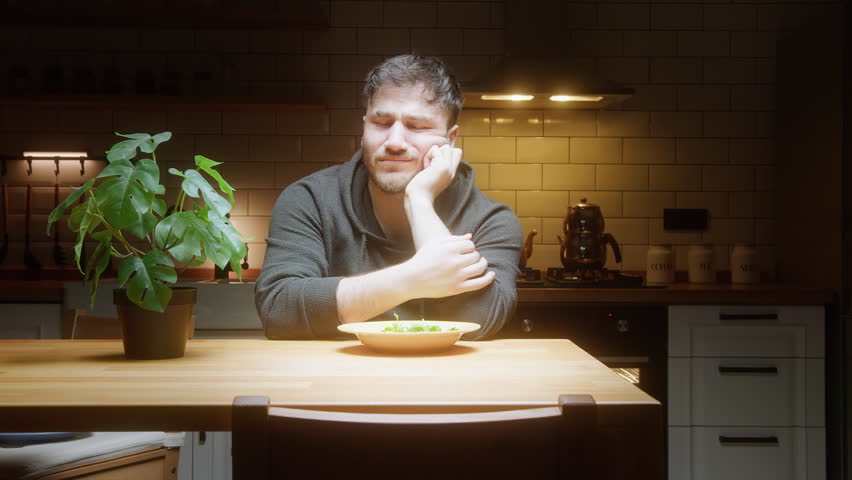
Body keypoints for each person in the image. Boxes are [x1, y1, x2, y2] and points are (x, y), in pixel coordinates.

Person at [255, 54, 522, 340]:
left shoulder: (491, 220)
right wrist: (412, 279)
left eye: (417, 127)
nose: (394, 142)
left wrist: (418, 200)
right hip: (332, 380)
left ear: (451, 139)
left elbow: (478, 321)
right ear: (364, 127)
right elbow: (279, 310)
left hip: (448, 383)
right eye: (381, 122)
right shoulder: (309, 200)